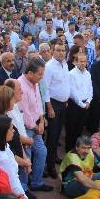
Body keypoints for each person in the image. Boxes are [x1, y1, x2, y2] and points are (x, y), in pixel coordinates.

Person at [17, 58, 50, 189]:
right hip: (26, 128)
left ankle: (36, 182)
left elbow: (38, 104)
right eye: (40, 74)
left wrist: (41, 120)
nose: (42, 77)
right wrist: (37, 126)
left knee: (42, 152)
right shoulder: (20, 85)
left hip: (36, 126)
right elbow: (24, 112)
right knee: (27, 158)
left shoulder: (34, 83)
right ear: (30, 73)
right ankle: (23, 187)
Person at [43, 41, 70, 178]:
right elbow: (45, 89)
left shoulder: (64, 64)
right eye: (58, 50)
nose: (61, 52)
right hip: (52, 105)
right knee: (52, 137)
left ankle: (53, 157)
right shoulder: (49, 67)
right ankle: (50, 166)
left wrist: (65, 100)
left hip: (62, 104)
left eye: (63, 50)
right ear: (52, 51)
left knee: (58, 133)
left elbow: (64, 83)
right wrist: (50, 107)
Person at [0, 115, 28, 199]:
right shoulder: (1, 158)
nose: (14, 130)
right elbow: (12, 180)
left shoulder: (4, 145)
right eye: (11, 129)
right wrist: (23, 196)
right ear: (3, 132)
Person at [66, 53, 93, 152]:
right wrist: (82, 104)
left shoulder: (88, 73)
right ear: (76, 62)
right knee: (71, 130)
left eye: (84, 61)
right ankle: (69, 152)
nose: (83, 63)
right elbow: (72, 92)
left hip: (86, 104)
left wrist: (89, 101)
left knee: (79, 129)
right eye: (80, 61)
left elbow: (91, 88)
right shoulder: (71, 74)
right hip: (75, 106)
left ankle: (77, 150)